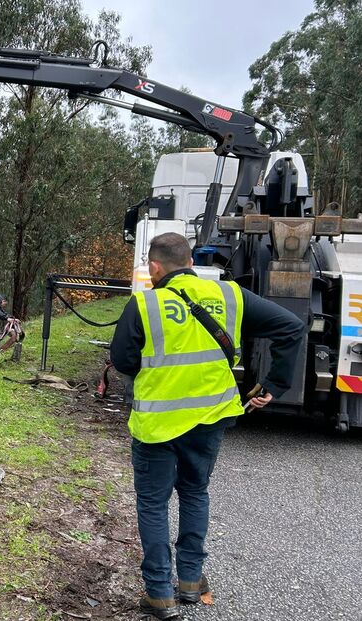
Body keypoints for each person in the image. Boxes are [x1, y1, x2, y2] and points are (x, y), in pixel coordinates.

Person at [111, 232, 304, 620]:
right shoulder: (230, 295)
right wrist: (274, 384)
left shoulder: (145, 304)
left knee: (153, 503)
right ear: (190, 263)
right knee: (195, 492)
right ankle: (191, 581)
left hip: (158, 423)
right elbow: (291, 327)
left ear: (155, 267)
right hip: (210, 418)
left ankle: (160, 594)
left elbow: (123, 361)